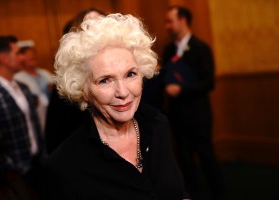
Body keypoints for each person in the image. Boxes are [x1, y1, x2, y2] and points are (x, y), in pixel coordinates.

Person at [45, 14, 189, 200]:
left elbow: (177, 191)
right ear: (83, 90)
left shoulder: (158, 125)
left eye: (130, 74)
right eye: (105, 80)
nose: (122, 92)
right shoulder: (64, 165)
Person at [163, 6, 225, 200]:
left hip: (198, 113)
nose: (167, 26)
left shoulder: (201, 48)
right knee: (184, 159)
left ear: (183, 20)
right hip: (176, 114)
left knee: (206, 156)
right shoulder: (168, 50)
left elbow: (208, 83)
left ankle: (218, 194)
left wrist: (181, 90)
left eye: (170, 21)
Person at [0, 36, 46, 193]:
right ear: (3, 58)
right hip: (12, 172)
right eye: (17, 53)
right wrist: (6, 167)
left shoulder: (22, 87)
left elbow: (33, 124)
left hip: (37, 161)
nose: (22, 57)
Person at [45, 8, 104, 153]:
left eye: (102, 24)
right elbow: (55, 134)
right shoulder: (66, 81)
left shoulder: (127, 72)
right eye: (89, 26)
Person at [14, 41, 54, 132]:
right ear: (22, 58)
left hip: (51, 115)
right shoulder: (18, 78)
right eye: (29, 57)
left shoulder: (45, 73)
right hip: (35, 119)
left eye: (33, 55)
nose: (33, 58)